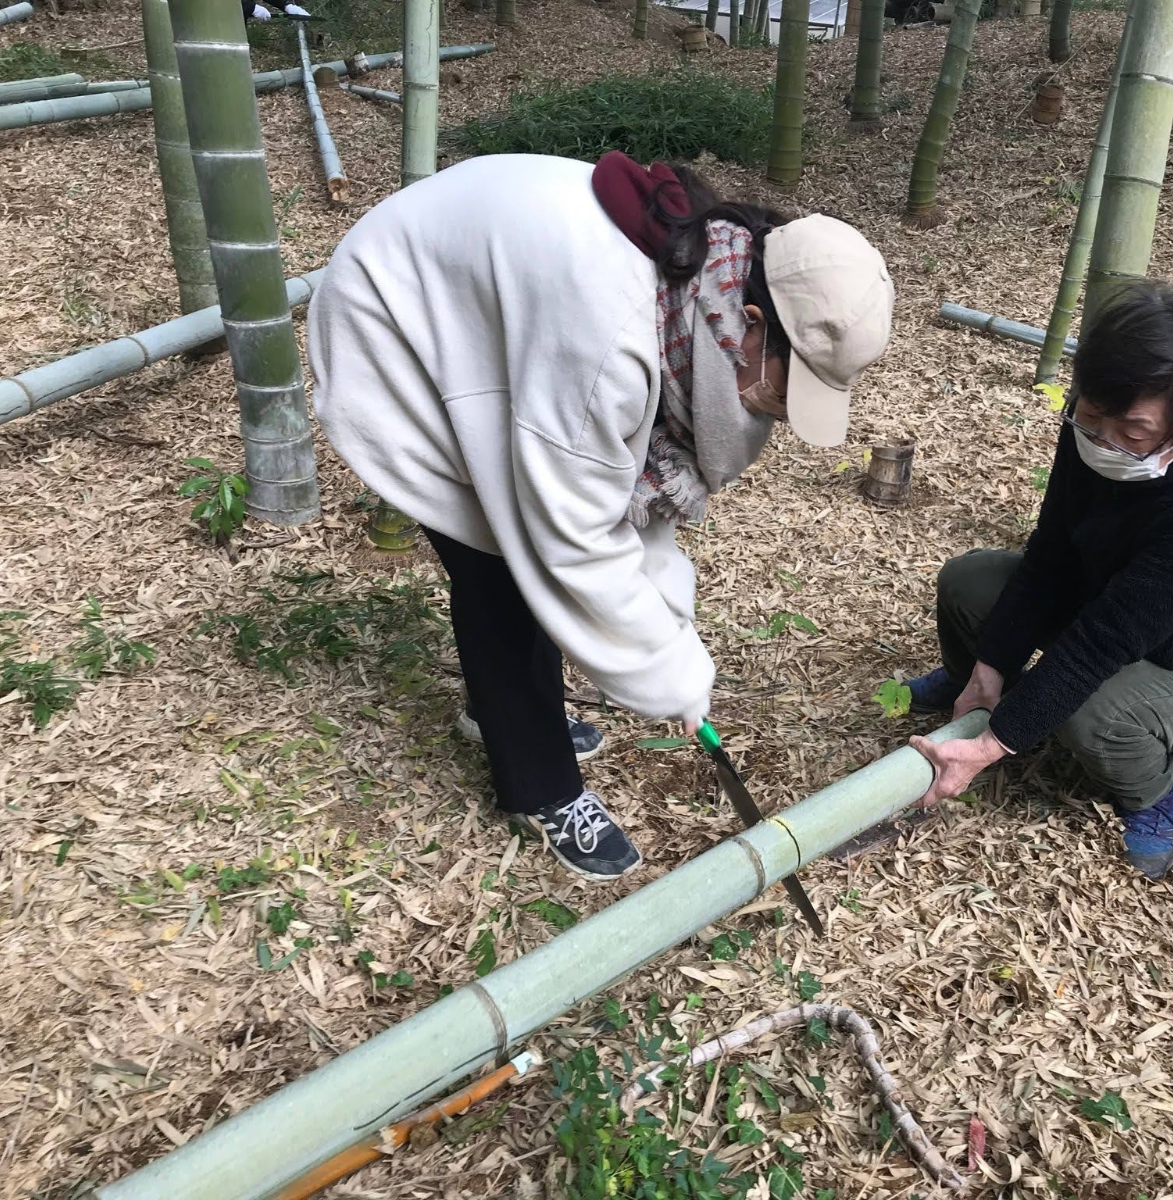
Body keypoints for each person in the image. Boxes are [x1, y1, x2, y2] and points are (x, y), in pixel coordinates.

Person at [308, 152, 894, 880]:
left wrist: (667, 627)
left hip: (484, 312)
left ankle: (502, 710)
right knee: (501, 566)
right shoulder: (610, 339)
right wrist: (668, 674)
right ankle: (541, 784)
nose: (775, 414)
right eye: (784, 391)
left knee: (519, 557)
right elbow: (571, 538)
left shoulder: (703, 288)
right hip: (399, 320)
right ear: (750, 323)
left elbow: (634, 488)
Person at [906, 284, 1173, 880]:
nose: (1103, 440)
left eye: (1132, 434)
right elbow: (1051, 554)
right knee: (969, 581)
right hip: (1104, 607)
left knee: (1091, 712)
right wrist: (991, 664)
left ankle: (1154, 792)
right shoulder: (1090, 430)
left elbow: (1104, 641)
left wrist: (987, 748)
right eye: (1090, 413)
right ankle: (970, 686)